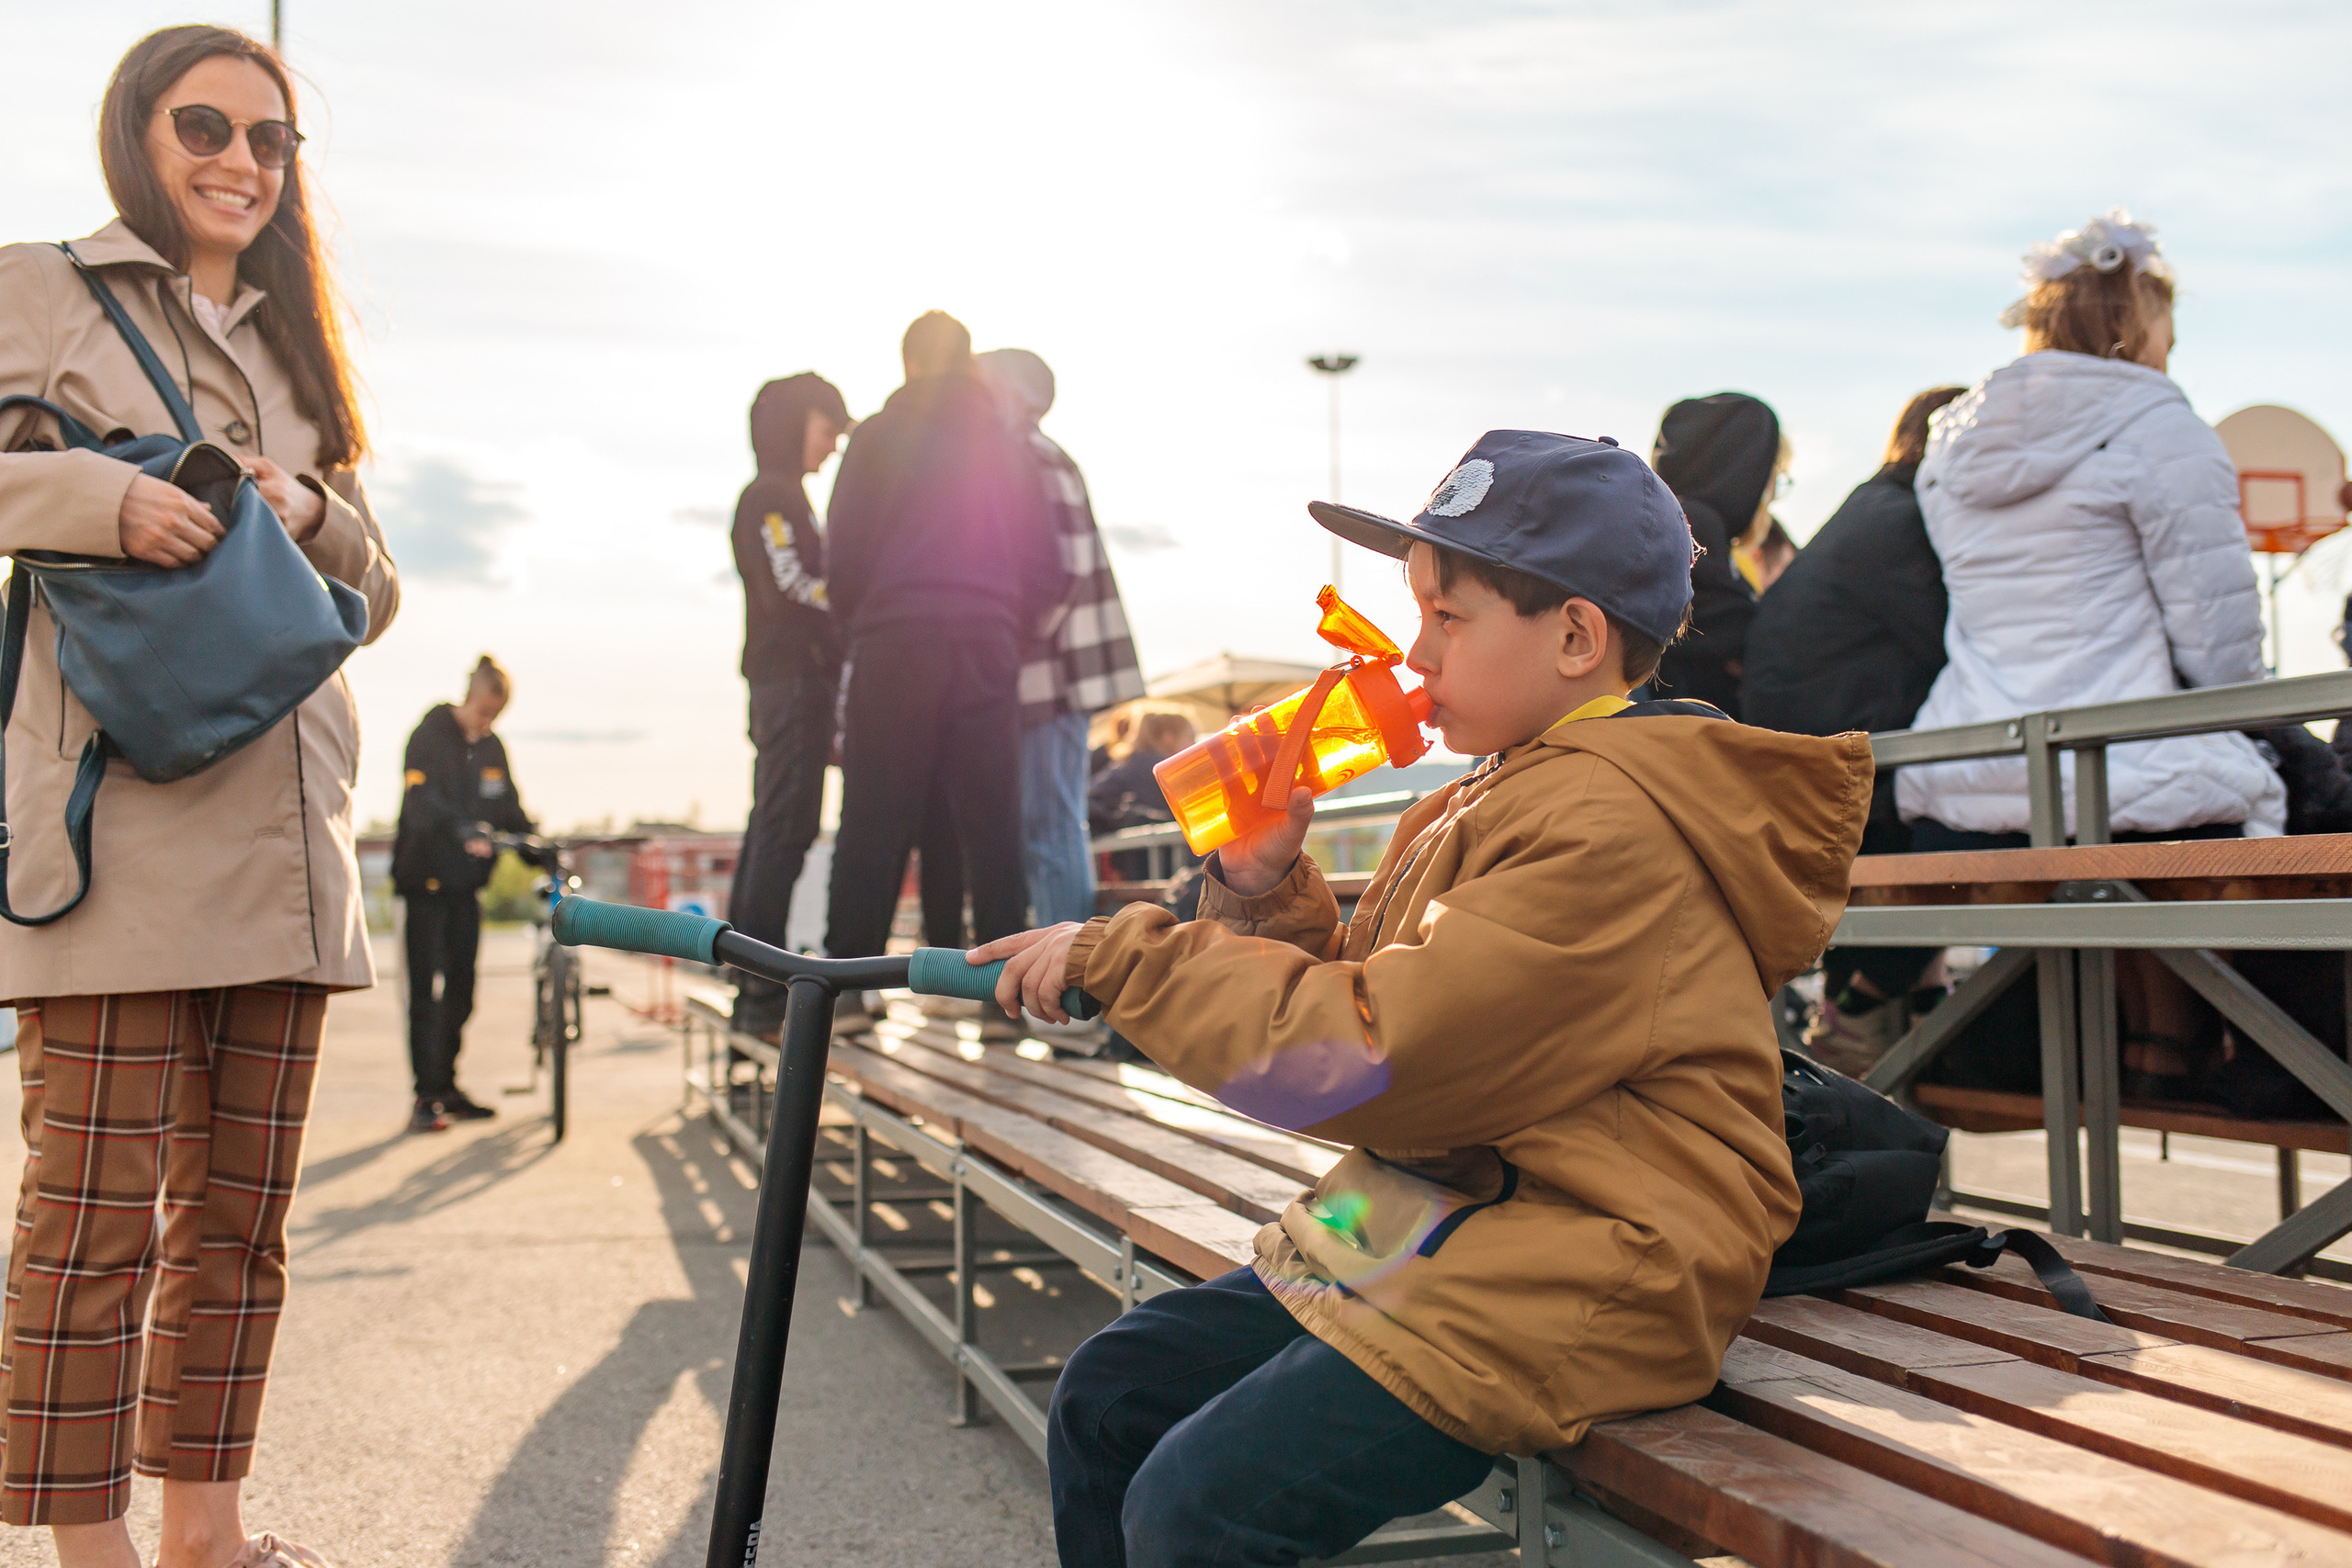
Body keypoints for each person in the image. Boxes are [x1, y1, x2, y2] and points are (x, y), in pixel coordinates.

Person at [976, 430, 1869, 1566]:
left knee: (1200, 1508)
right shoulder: (1501, 788)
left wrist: (1125, 957)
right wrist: (1253, 882)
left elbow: (1381, 1054)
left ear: (1576, 636)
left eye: (1447, 618)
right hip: (1454, 1225)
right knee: (1113, 1394)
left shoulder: (1612, 824)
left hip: (1590, 1262)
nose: (1412, 649)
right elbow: (1372, 996)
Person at [0, 26, 399, 1567]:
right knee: (87, 1227)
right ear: (138, 132)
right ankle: (89, 1555)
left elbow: (372, 591)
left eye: (273, 139)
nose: (243, 159)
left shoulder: (304, 352)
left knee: (238, 1227)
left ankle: (208, 1541)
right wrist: (104, 498)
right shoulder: (43, 284)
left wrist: (311, 510)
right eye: (207, 125)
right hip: (119, 837)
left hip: (292, 845)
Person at [1899, 209, 2282, 1098]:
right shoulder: (2158, 424)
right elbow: (2217, 634)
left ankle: (2145, 1048)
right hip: (2117, 764)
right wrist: (2252, 718)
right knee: (2261, 805)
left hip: (1977, 768)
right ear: (2132, 325)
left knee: (2108, 859)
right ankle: (2217, 1058)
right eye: (2164, 335)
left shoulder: (1951, 447)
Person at [821, 311, 1068, 1032]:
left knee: (872, 815)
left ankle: (852, 991)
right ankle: (998, 1002)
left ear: (907, 366)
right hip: (985, 639)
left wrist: (869, 615)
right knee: (991, 821)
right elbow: (1048, 567)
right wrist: (1004, 622)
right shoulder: (1007, 448)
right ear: (966, 366)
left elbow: (841, 556)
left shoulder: (872, 437)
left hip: (894, 640)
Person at [1744, 386, 1967, 1074]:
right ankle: (1865, 1002)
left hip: (1809, 761)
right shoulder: (1907, 523)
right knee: (1966, 820)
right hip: (1835, 774)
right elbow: (1961, 641)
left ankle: (1893, 998)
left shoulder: (1876, 507)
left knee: (1956, 808)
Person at [977, 347, 1146, 928]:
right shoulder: (1040, 457)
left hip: (1051, 670)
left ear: (1014, 394)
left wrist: (1012, 643)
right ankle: (1062, 974)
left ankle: (1066, 978)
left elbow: (1062, 572)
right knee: (1048, 820)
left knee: (1048, 822)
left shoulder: (1033, 457)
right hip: (1060, 667)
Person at [724, 373, 851, 1037]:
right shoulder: (772, 496)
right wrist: (859, 602)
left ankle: (754, 976)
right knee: (783, 827)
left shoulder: (783, 495)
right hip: (792, 684)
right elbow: (793, 583)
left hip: (788, 684)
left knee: (774, 826)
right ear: (796, 422)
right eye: (827, 430)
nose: (831, 448)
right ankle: (760, 983)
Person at [392, 658, 533, 1131]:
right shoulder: (430, 734)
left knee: (462, 990)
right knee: (424, 994)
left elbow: (508, 806)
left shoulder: (492, 748)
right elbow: (420, 803)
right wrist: (462, 828)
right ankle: (425, 1095)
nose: (486, 722)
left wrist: (534, 843)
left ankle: (448, 1086)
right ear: (469, 696)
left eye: (495, 715)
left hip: (465, 888)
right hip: (424, 884)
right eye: (483, 711)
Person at [1648, 392, 1789, 716]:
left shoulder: (1671, 516)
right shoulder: (1695, 524)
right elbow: (1725, 628)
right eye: (1773, 481)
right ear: (1744, 475)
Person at [1088, 711, 1195, 884]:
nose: (1194, 744)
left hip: (1133, 881)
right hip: (1174, 878)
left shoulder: (1123, 767)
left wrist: (1124, 819)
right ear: (1168, 737)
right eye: (1191, 737)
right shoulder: (1175, 773)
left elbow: (1088, 803)